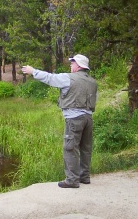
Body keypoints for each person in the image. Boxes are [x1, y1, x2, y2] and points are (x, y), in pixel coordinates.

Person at [21, 54, 97, 188]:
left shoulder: (68, 78)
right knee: (86, 148)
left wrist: (33, 71)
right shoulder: (92, 82)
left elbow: (50, 78)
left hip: (74, 119)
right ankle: (84, 177)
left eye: (72, 63)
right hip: (88, 119)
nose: (70, 65)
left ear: (78, 65)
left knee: (70, 148)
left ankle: (72, 180)